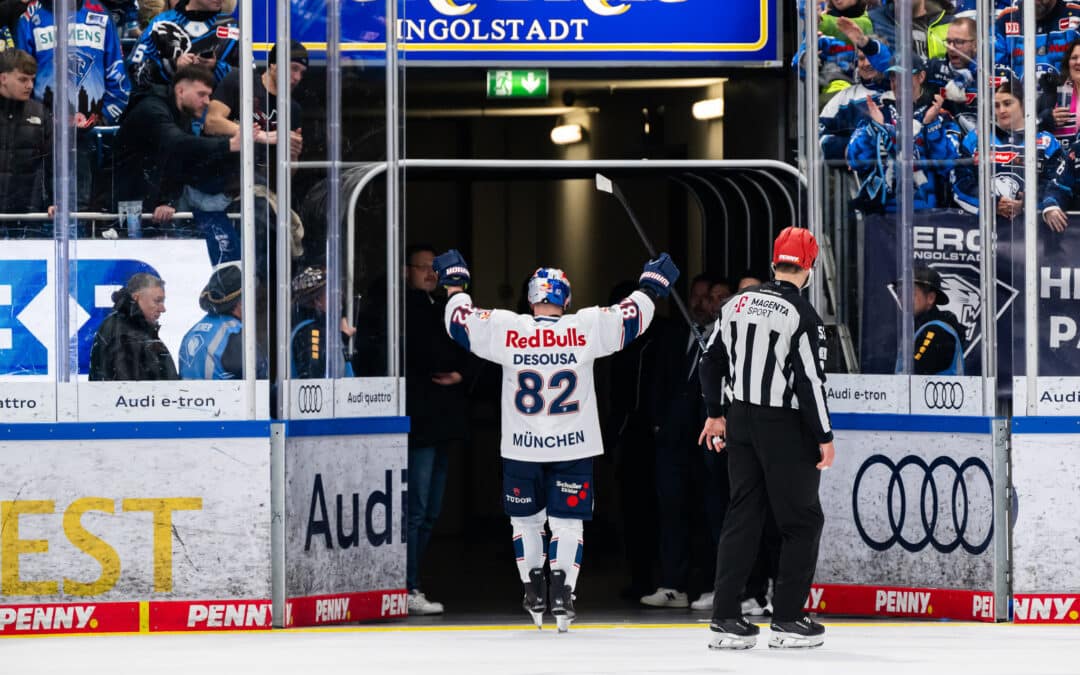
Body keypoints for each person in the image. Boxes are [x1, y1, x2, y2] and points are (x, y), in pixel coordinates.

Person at [433, 248, 678, 632]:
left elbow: (458, 322)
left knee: (525, 522)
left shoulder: (506, 328)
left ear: (531, 297)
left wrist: (455, 284)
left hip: (521, 446)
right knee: (568, 524)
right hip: (574, 446)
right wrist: (651, 285)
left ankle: (533, 585)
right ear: (566, 298)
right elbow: (633, 317)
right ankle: (563, 591)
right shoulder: (584, 327)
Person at [698, 227, 836, 650]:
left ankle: (725, 618)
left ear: (774, 262)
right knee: (802, 521)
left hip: (740, 419)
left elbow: (710, 361)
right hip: (785, 426)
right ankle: (789, 620)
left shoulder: (734, 304)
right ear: (808, 268)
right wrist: (824, 436)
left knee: (743, 515)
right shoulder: (801, 314)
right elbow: (810, 381)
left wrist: (714, 415)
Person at [640, 274, 728, 612]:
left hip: (710, 441)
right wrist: (659, 423)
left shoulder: (728, 336)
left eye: (714, 297)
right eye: (699, 296)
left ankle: (715, 584)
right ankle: (673, 584)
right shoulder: (674, 334)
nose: (704, 303)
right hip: (674, 440)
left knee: (713, 513)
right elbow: (657, 380)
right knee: (672, 511)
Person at [402, 244, 470, 616]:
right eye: (423, 267)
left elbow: (471, 350)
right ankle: (408, 585)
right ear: (406, 271)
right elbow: (426, 354)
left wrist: (461, 371)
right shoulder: (404, 308)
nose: (431, 274)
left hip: (445, 423)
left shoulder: (449, 309)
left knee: (430, 512)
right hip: (421, 422)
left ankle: (412, 582)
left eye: (436, 269)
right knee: (417, 509)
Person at [16, 0, 130, 211]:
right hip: (44, 128)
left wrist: (103, 116)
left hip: (93, 129)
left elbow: (117, 72)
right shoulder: (31, 16)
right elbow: (21, 74)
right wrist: (39, 119)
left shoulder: (99, 13)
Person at [113, 65, 255, 227]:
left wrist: (168, 200)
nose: (207, 102)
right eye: (201, 94)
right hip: (126, 205)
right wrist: (229, 144)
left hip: (152, 201)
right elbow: (177, 143)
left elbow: (178, 163)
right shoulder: (152, 108)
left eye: (209, 95)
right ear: (180, 91)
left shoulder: (182, 115)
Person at [952, 79, 1071, 232]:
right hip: (981, 234)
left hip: (1032, 236)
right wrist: (993, 203)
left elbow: (1056, 184)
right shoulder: (976, 138)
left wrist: (1026, 204)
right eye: (996, 105)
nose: (1001, 110)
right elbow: (959, 182)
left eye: (1007, 103)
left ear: (1023, 104)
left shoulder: (1046, 141)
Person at [846, 54, 960, 212]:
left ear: (921, 76)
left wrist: (931, 125)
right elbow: (855, 160)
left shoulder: (940, 115)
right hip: (883, 217)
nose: (898, 84)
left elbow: (948, 165)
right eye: (893, 78)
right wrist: (875, 128)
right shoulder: (878, 112)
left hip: (933, 216)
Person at [179, 263, 267, 379]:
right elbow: (261, 383)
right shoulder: (235, 335)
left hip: (192, 397)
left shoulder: (192, 331)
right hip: (224, 397)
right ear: (240, 303)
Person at [127, 0, 238, 91]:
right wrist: (173, 66)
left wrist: (215, 67)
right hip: (168, 111)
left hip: (217, 113)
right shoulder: (160, 23)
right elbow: (135, 73)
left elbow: (249, 80)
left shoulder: (232, 28)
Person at [0, 48, 52, 235]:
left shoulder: (40, 113)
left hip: (29, 215)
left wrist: (55, 199)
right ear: (3, 78)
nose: (30, 85)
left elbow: (52, 162)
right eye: (23, 79)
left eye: (32, 79)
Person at [89, 272, 179, 381]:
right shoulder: (126, 335)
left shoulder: (132, 328)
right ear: (136, 297)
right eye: (157, 301)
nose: (163, 309)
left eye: (163, 301)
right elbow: (129, 392)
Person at [894, 267, 965, 375]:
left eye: (910, 293)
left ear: (930, 298)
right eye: (901, 293)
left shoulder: (936, 331)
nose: (903, 299)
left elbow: (913, 372)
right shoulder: (918, 329)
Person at [290, 265, 354, 379]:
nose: (339, 293)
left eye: (338, 288)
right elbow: (314, 379)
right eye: (332, 290)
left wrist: (341, 339)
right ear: (317, 300)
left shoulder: (325, 330)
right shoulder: (310, 331)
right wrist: (340, 339)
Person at [995, 0, 1080, 85]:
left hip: (1070, 96)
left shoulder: (1077, 17)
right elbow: (993, 68)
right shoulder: (1005, 20)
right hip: (1017, 97)